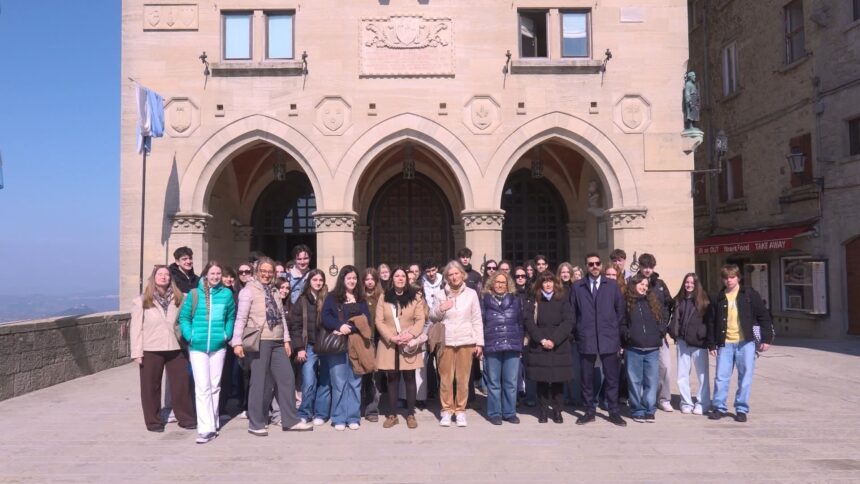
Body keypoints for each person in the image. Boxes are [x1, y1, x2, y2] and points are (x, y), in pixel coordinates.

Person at [232, 258, 313, 436]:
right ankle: (256, 422)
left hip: (277, 341)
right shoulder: (248, 291)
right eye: (263, 271)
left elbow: (282, 317)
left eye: (270, 272)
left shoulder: (275, 290)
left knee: (287, 378)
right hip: (259, 340)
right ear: (257, 271)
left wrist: (285, 339)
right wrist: (236, 342)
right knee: (259, 383)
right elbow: (241, 317)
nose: (267, 274)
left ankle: (290, 420)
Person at [131, 265, 196, 433]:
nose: (163, 277)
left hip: (176, 346)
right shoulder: (141, 300)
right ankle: (153, 421)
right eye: (160, 274)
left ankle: (186, 418)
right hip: (151, 348)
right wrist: (136, 352)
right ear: (154, 278)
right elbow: (136, 329)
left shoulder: (181, 298)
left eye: (166, 274)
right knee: (150, 386)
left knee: (181, 384)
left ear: (170, 278)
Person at [178, 261, 236, 444]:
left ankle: (213, 420)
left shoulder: (226, 294)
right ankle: (205, 428)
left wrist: (227, 334)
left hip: (218, 346)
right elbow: (184, 317)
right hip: (197, 346)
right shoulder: (195, 294)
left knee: (215, 385)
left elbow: (230, 316)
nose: (216, 277)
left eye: (218, 274)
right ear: (206, 274)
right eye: (213, 273)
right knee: (202, 387)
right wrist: (190, 336)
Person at [708, 264, 773, 422]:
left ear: (738, 278)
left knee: (745, 377)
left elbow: (763, 315)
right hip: (725, 343)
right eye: (726, 277)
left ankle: (741, 409)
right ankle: (719, 407)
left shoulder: (749, 294)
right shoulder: (718, 297)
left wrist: (766, 338)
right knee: (721, 377)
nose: (729, 280)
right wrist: (711, 344)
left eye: (732, 277)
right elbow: (711, 322)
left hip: (746, 343)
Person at [569, 253, 627, 427]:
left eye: (597, 263)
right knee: (586, 378)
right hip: (586, 338)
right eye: (590, 264)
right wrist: (578, 330)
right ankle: (589, 411)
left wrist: (611, 328)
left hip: (608, 338)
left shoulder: (611, 285)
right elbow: (572, 311)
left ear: (601, 265)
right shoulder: (578, 286)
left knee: (611, 378)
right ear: (586, 266)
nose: (594, 266)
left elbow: (620, 310)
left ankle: (614, 411)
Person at [429, 260, 483, 427]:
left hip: (466, 341)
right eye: (450, 274)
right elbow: (432, 317)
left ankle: (460, 410)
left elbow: (476, 319)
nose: (454, 277)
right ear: (446, 277)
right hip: (446, 341)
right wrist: (441, 308)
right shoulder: (440, 295)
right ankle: (446, 410)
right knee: (445, 379)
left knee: (463, 379)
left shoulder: (472, 294)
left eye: (456, 273)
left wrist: (479, 343)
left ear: (462, 274)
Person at [321, 265, 372, 431]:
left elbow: (367, 320)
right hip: (338, 345)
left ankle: (353, 417)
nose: (352, 281)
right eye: (349, 278)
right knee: (339, 382)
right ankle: (339, 417)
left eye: (354, 278)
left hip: (357, 344)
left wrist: (351, 328)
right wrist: (338, 325)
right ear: (343, 279)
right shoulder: (332, 297)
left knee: (355, 382)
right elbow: (325, 316)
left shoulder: (361, 298)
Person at [375, 267, 427, 429]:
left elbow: (420, 319)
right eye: (397, 276)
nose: (400, 278)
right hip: (390, 343)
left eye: (403, 276)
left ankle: (410, 414)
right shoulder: (384, 297)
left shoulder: (415, 297)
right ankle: (392, 414)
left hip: (408, 343)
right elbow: (379, 321)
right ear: (392, 279)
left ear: (406, 279)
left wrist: (410, 335)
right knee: (392, 378)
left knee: (410, 378)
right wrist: (391, 337)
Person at [524, 271, 574, 424]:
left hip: (559, 346)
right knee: (542, 381)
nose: (548, 284)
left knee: (558, 381)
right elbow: (529, 321)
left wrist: (554, 340)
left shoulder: (563, 299)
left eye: (550, 281)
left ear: (555, 283)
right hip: (540, 345)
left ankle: (558, 411)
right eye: (544, 281)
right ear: (540, 284)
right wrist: (541, 340)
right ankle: (543, 411)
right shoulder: (534, 299)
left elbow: (568, 321)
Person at [286, 269, 332, 426]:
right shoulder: (302, 300)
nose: (318, 282)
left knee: (325, 381)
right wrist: (299, 347)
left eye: (320, 280)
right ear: (309, 282)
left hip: (326, 345)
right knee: (308, 381)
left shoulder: (328, 299)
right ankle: (305, 412)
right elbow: (295, 326)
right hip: (309, 346)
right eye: (315, 280)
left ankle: (321, 413)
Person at [622, 274, 668, 423]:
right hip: (633, 347)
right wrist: (627, 336)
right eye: (641, 284)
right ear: (634, 284)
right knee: (634, 381)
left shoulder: (652, 301)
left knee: (651, 380)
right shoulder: (626, 302)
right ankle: (637, 409)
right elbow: (621, 323)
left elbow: (661, 319)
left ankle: (649, 409)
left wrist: (660, 332)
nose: (643, 287)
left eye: (646, 285)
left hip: (652, 348)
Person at [481, 271, 524, 425]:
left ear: (508, 285)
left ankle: (509, 412)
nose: (500, 285)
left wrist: (520, 343)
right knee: (493, 382)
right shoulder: (484, 300)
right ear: (492, 283)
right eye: (497, 282)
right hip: (492, 345)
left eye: (503, 282)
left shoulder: (516, 300)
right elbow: (481, 323)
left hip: (511, 344)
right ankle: (494, 413)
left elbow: (520, 323)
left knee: (511, 382)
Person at [636, 253, 675, 413]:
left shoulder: (660, 284)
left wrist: (663, 327)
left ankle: (663, 398)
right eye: (645, 266)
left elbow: (669, 305)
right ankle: (641, 399)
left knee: (665, 366)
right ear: (640, 267)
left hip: (658, 333)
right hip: (640, 333)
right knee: (640, 370)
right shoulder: (634, 283)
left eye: (650, 267)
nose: (647, 270)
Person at [670, 273, 713, 415]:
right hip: (683, 342)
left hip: (699, 343)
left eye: (692, 283)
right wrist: (673, 333)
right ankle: (686, 402)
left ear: (697, 285)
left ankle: (703, 403)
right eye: (687, 282)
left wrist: (705, 336)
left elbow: (709, 322)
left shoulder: (704, 301)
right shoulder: (678, 300)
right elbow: (675, 318)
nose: (689, 285)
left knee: (702, 375)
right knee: (682, 375)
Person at [361, 268, 384, 423]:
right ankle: (357, 407)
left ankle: (372, 409)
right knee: (360, 375)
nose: (369, 281)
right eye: (367, 279)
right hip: (361, 340)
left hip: (376, 340)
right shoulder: (359, 297)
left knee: (373, 377)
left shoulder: (381, 297)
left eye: (372, 279)